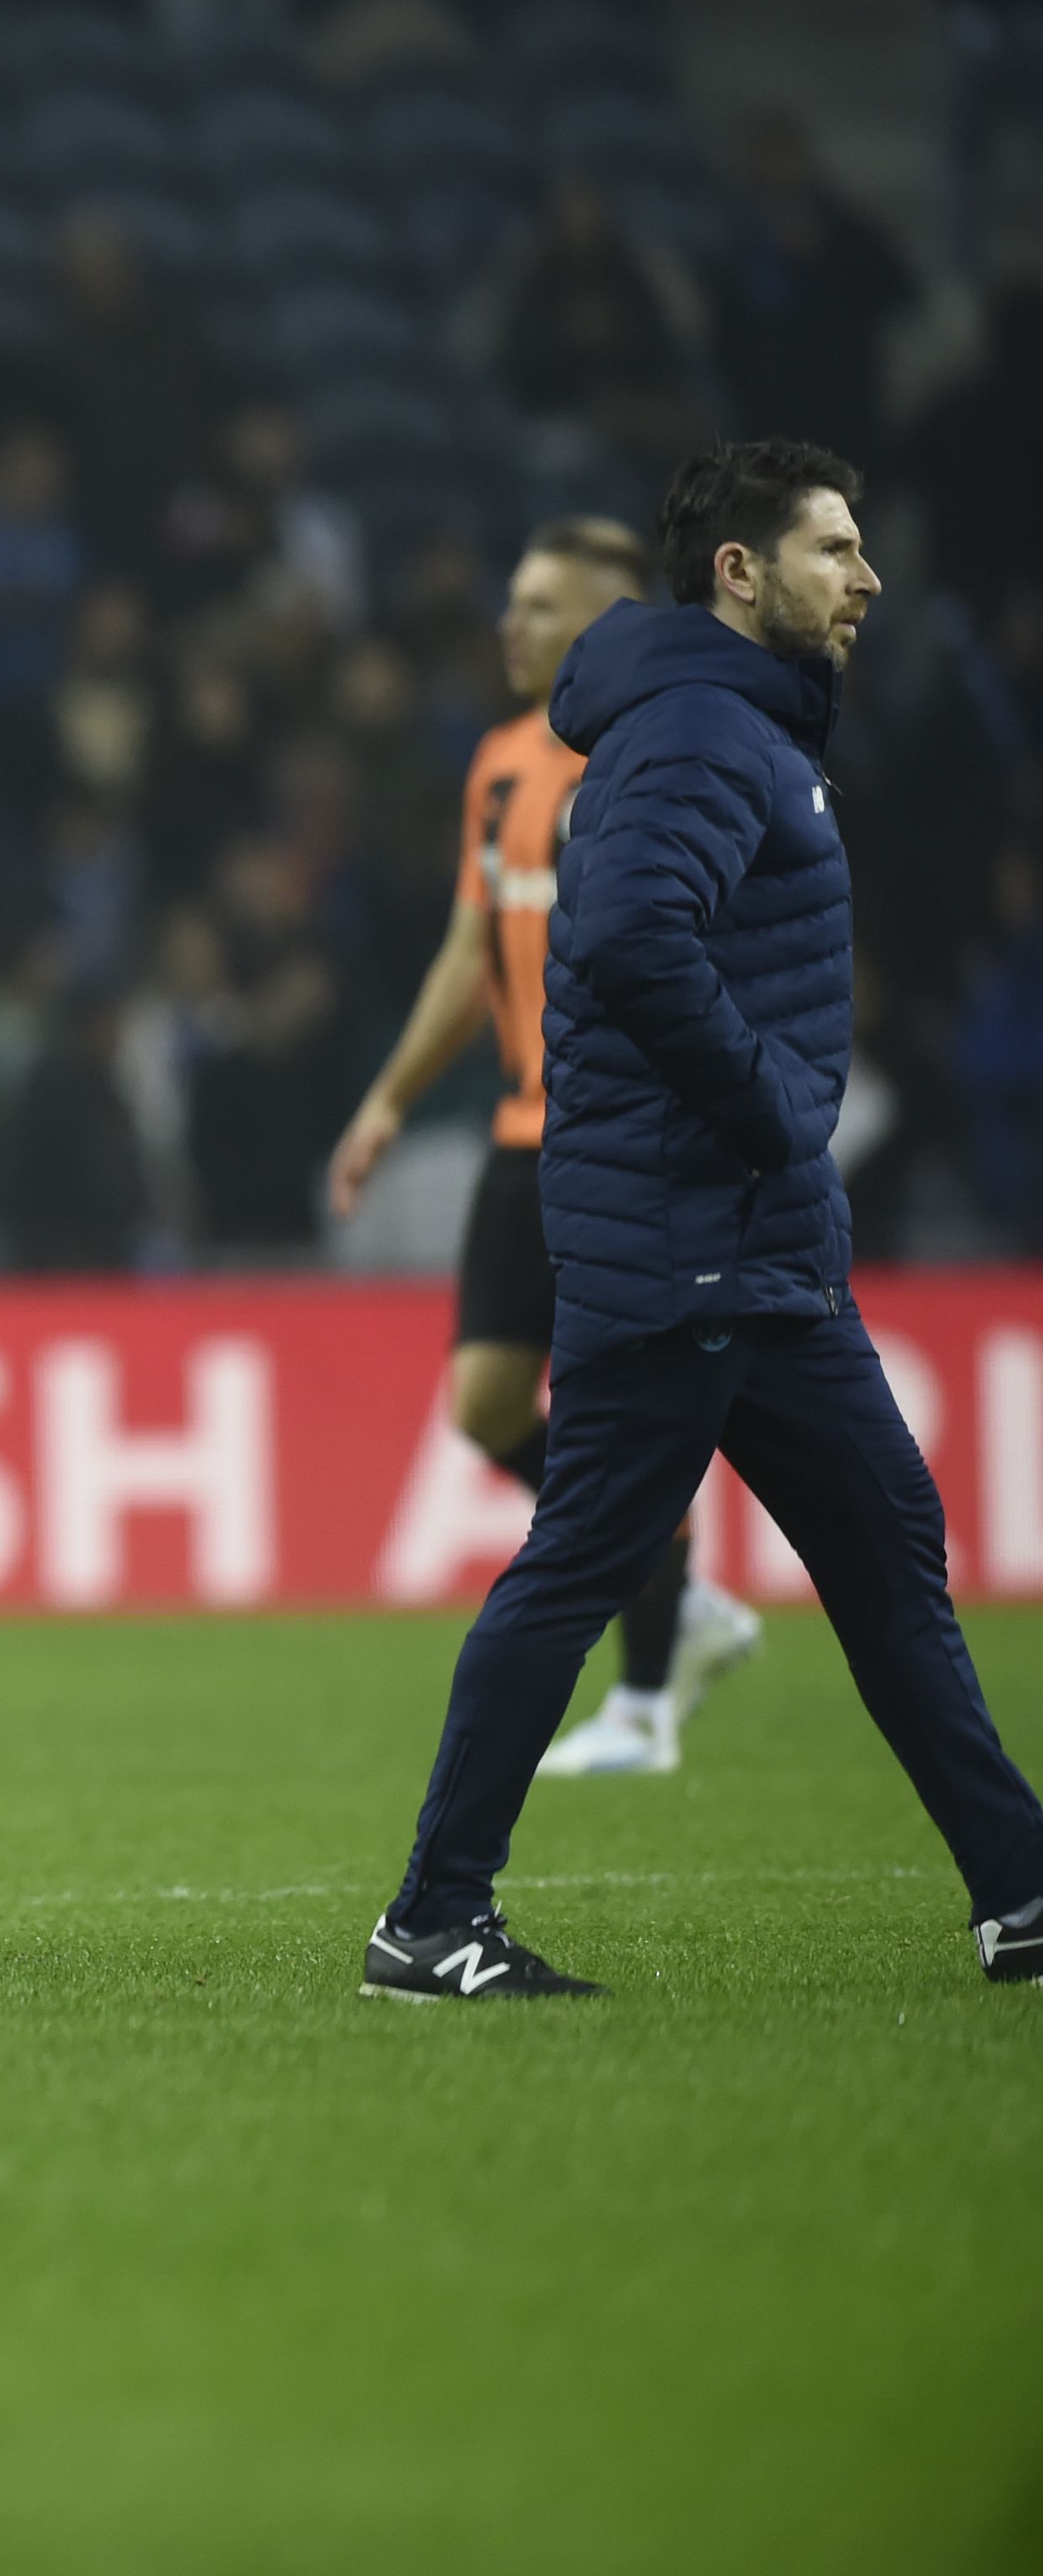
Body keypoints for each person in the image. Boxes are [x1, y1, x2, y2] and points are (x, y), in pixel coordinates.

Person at [364, 441, 1043, 2000]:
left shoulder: (731, 724)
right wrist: (765, 1114)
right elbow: (623, 936)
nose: (864, 578)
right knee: (577, 1565)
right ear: (737, 574)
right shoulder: (691, 728)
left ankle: (1016, 1890)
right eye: (832, 549)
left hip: (750, 1241)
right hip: (689, 1233)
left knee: (884, 1548)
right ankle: (428, 1919)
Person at [327, 518, 764, 1777]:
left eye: (540, 607)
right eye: (510, 602)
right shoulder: (504, 762)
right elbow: (475, 949)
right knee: (488, 1403)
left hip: (632, 1138)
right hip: (527, 1135)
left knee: (622, 1413)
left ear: (609, 621)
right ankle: (676, 1604)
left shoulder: (656, 758)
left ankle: (642, 1702)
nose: (510, 627)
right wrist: (390, 1100)